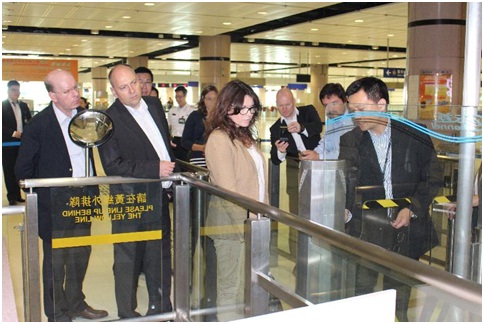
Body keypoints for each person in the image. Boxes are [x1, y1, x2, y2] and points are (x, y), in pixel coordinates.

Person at [339, 76, 442, 321]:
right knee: (362, 293)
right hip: (367, 230)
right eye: (353, 110)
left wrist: (412, 209)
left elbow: (432, 178)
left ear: (382, 104)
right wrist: (344, 209)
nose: (356, 116)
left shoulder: (414, 135)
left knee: (399, 297)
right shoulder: (351, 141)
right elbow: (346, 185)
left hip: (405, 230)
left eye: (361, 109)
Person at [15, 69, 108, 322]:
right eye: (67, 91)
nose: (75, 94)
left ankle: (77, 303)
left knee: (81, 252)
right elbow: (22, 171)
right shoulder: (39, 126)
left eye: (76, 88)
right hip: (55, 203)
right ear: (52, 95)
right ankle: (56, 312)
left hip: (83, 198)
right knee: (56, 260)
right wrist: (42, 198)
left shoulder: (86, 118)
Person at [98, 64, 176, 319]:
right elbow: (113, 165)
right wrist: (155, 168)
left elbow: (164, 147)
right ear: (113, 91)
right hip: (129, 199)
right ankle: (127, 313)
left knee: (160, 256)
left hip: (158, 197)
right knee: (128, 260)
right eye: (124, 86)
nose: (133, 89)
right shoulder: (108, 120)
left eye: (134, 82)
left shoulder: (154, 106)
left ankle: (161, 306)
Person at [205, 80, 268, 321]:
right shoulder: (220, 138)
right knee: (230, 286)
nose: (247, 114)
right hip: (232, 226)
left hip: (253, 221)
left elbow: (259, 178)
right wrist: (250, 222)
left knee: (246, 285)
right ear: (226, 106)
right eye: (241, 108)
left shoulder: (244, 135)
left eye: (252, 109)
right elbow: (228, 191)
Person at [269, 87, 322, 260]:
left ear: (294, 102)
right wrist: (280, 151)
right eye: (280, 106)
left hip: (317, 167)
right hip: (294, 172)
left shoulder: (308, 112)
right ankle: (297, 259)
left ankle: (317, 255)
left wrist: (301, 128)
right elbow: (275, 160)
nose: (284, 109)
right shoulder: (276, 128)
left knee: (318, 212)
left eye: (288, 104)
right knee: (295, 215)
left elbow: (317, 128)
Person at [299, 83, 354, 160]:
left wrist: (319, 156)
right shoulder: (331, 120)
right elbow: (325, 144)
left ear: (345, 100)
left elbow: (348, 151)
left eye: (334, 103)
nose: (330, 109)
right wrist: (312, 154)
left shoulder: (355, 121)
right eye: (326, 105)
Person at [2, 80, 32, 205]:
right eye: (14, 90)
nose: (16, 92)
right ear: (8, 91)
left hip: (22, 143)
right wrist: (12, 133)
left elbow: (29, 122)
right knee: (9, 169)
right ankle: (12, 196)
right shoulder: (2, 105)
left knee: (19, 168)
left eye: (18, 90)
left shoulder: (23, 106)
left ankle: (19, 194)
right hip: (8, 143)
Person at [181, 84, 218, 168]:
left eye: (215, 99)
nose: (212, 102)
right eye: (209, 99)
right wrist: (202, 148)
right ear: (203, 99)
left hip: (217, 159)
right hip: (198, 159)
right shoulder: (195, 116)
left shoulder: (222, 118)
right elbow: (185, 141)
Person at [168, 85, 196, 161]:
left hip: (186, 140)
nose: (178, 99)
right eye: (176, 97)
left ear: (185, 96)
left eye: (180, 97)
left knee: (186, 162)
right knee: (175, 162)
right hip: (175, 141)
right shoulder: (172, 111)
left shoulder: (192, 111)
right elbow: (168, 127)